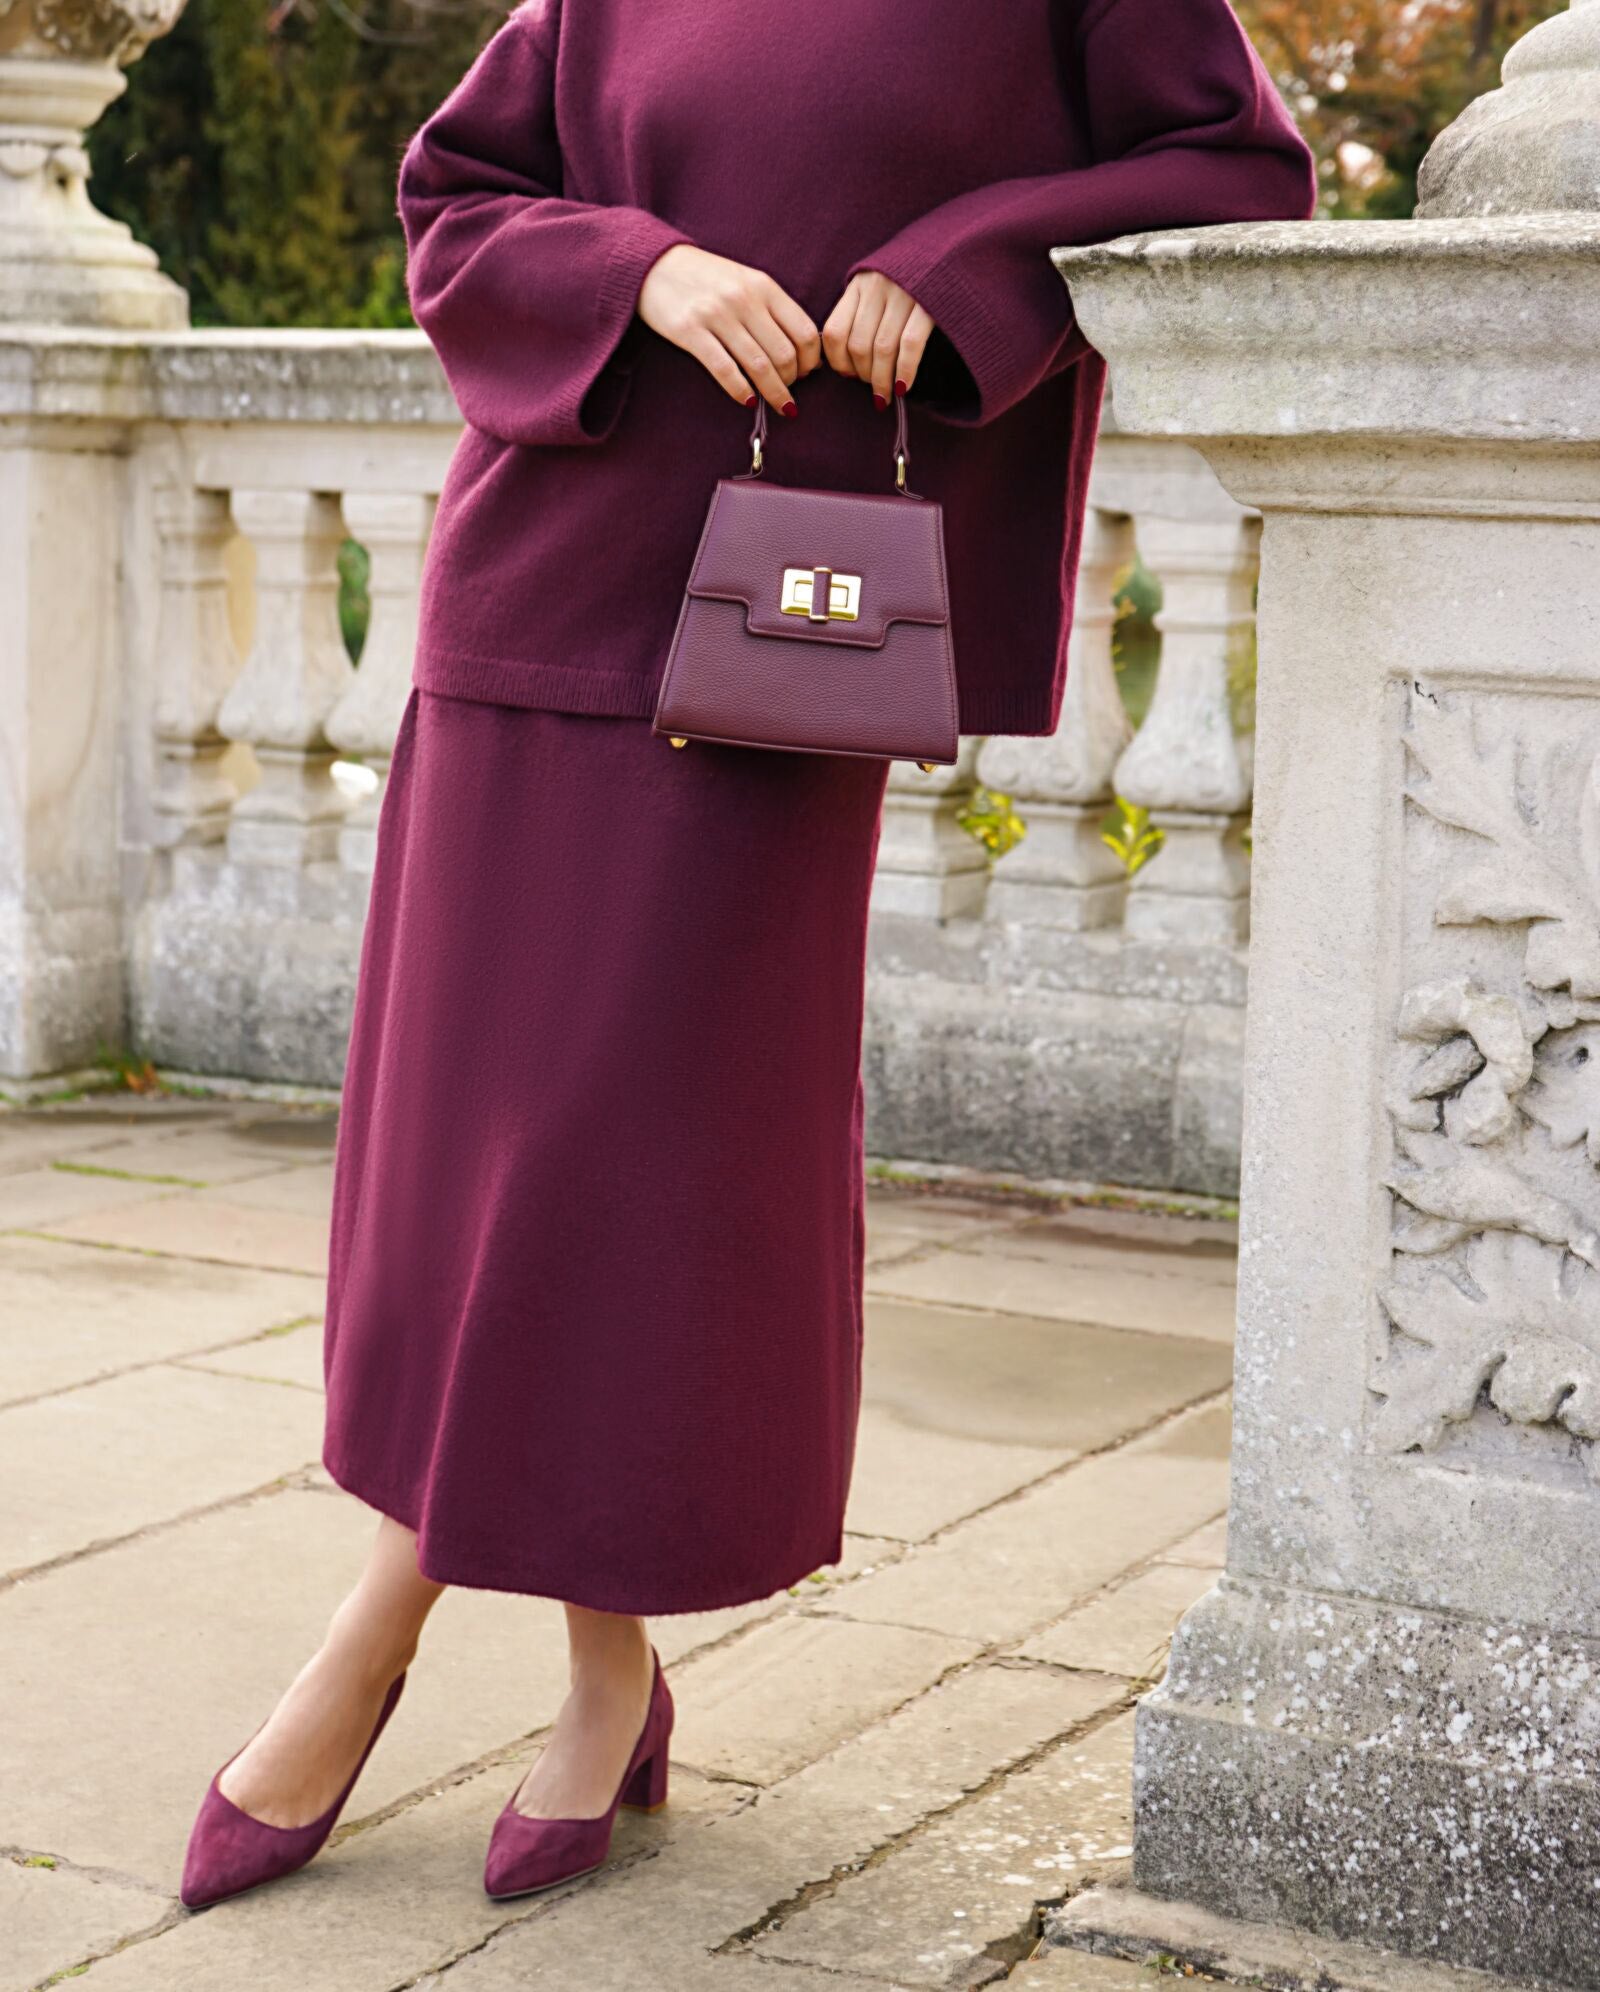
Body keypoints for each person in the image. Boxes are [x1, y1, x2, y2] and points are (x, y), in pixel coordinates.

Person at [179, 0, 1313, 1910]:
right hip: (530, 593)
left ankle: (374, 1640)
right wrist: (648, 267)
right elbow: (458, 199)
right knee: (461, 1168)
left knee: (636, 1171)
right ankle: (602, 1677)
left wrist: (957, 270)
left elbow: (1235, 168)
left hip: (785, 635)